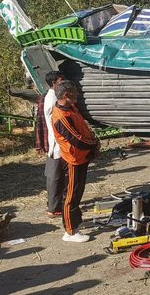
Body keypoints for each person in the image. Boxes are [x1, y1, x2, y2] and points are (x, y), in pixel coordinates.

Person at [51, 80, 99, 243]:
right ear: (65, 95)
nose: (77, 95)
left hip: (82, 156)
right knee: (71, 195)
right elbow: (76, 139)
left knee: (77, 193)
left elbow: (82, 128)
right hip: (73, 159)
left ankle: (76, 223)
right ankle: (70, 232)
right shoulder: (61, 116)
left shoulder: (71, 108)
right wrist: (94, 144)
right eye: (74, 93)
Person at [43, 71, 65, 217]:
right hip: (57, 143)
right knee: (55, 177)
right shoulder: (52, 100)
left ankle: (55, 204)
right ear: (54, 83)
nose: (63, 83)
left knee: (57, 176)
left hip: (58, 142)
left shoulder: (54, 97)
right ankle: (54, 208)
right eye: (61, 81)